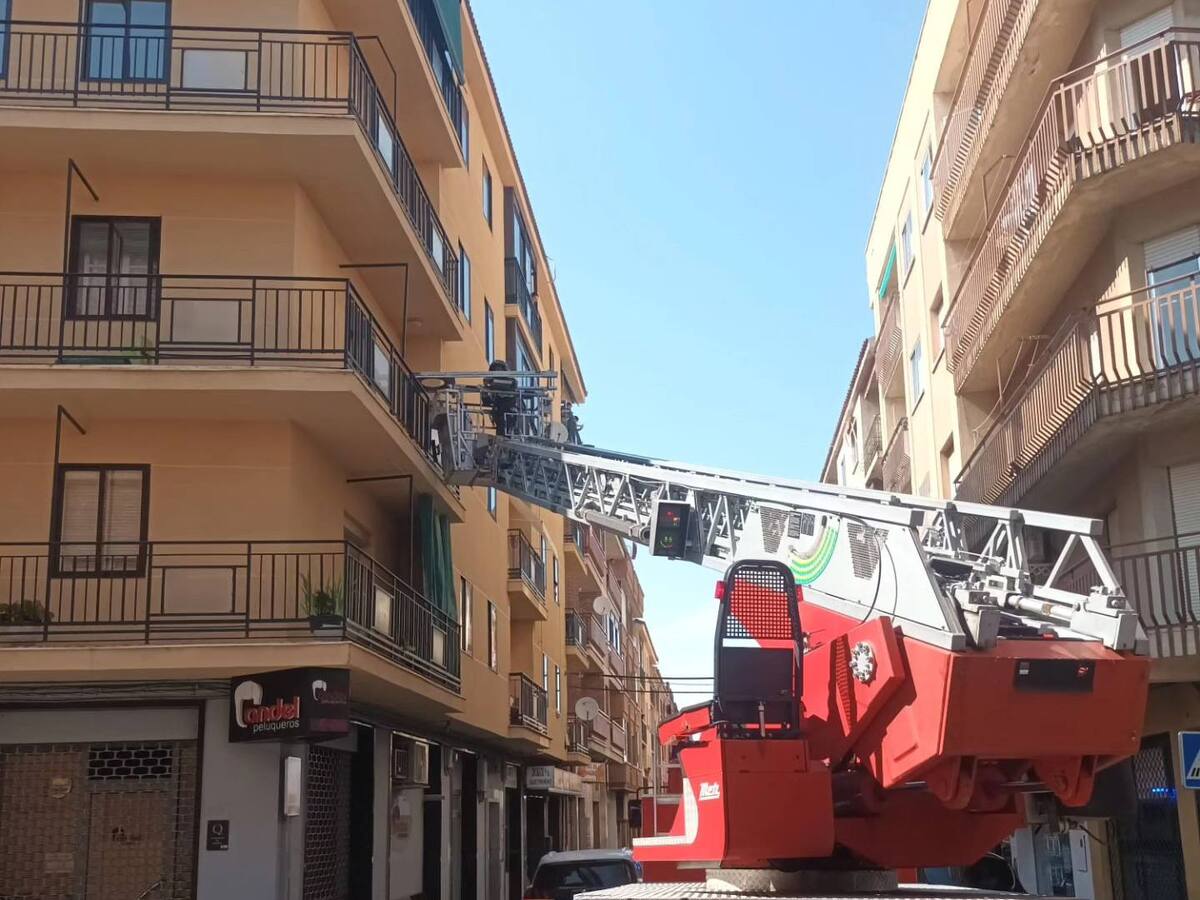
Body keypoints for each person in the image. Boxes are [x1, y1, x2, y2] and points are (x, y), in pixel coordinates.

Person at [482, 359, 517, 436]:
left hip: (509, 412)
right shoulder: (491, 384)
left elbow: (513, 388)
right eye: (495, 370)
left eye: (499, 369)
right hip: (498, 412)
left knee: (507, 431)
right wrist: (485, 394)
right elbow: (488, 402)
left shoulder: (511, 381)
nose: (497, 371)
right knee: (501, 432)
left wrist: (493, 385)